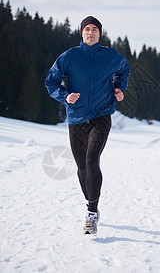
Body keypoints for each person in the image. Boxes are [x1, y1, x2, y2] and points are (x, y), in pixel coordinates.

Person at [45, 16, 130, 234]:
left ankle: (92, 212)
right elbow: (51, 81)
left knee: (92, 160)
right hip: (77, 118)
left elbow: (124, 70)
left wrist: (119, 88)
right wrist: (64, 96)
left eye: (95, 30)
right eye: (87, 29)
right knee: (82, 167)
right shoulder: (69, 57)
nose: (91, 33)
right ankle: (90, 201)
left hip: (101, 115)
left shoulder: (111, 56)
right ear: (81, 33)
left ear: (100, 34)